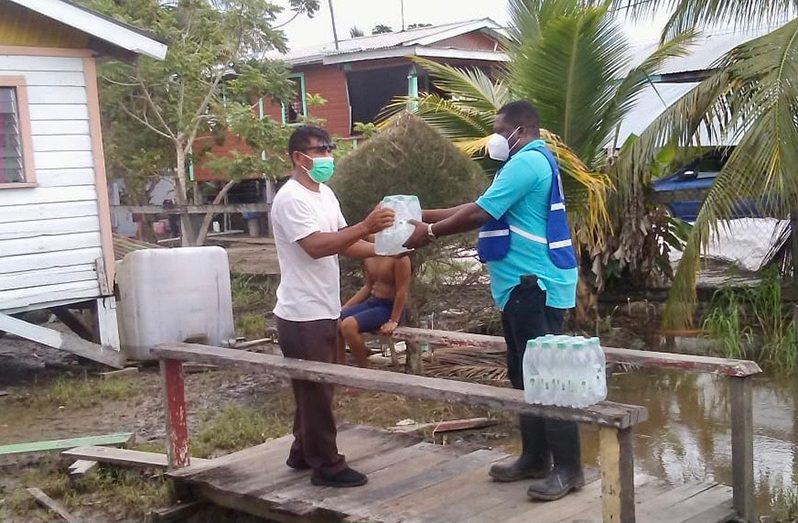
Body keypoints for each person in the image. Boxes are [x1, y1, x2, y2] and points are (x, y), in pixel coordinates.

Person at [403, 101, 581, 502]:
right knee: (523, 376)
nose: (494, 138)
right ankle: (536, 458)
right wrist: (420, 214)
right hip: (519, 287)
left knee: (548, 378)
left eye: (499, 130)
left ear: (519, 129)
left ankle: (569, 469)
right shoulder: (519, 165)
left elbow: (479, 214)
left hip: (535, 285)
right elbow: (480, 207)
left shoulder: (527, 163)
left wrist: (428, 232)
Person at [271, 125, 395, 488]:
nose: (326, 156)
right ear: (298, 157)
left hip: (324, 308)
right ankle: (327, 465)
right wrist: (366, 225)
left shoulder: (324, 194)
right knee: (317, 390)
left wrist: (385, 247)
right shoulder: (291, 198)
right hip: (301, 313)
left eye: (329, 148)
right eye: (318, 150)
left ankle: (300, 452)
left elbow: (345, 244)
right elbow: (316, 246)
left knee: (312, 388)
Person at [337, 238, 411, 367]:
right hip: (374, 302)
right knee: (335, 319)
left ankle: (364, 369)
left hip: (390, 307)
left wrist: (393, 320)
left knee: (349, 325)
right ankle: (340, 366)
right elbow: (368, 287)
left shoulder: (399, 257)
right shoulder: (368, 256)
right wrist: (345, 307)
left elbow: (401, 291)